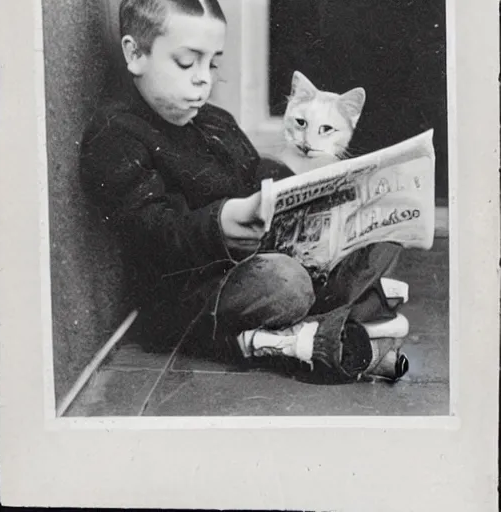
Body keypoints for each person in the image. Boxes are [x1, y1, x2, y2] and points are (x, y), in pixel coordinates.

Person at [80, 0, 409, 384]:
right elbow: (152, 230)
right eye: (187, 63)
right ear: (135, 54)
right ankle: (331, 322)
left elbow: (256, 173)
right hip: (192, 294)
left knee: (386, 236)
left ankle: (314, 326)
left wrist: (312, 198)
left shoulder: (215, 121)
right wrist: (219, 225)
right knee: (287, 283)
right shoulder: (117, 135)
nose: (203, 79)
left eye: (213, 63)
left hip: (261, 254)